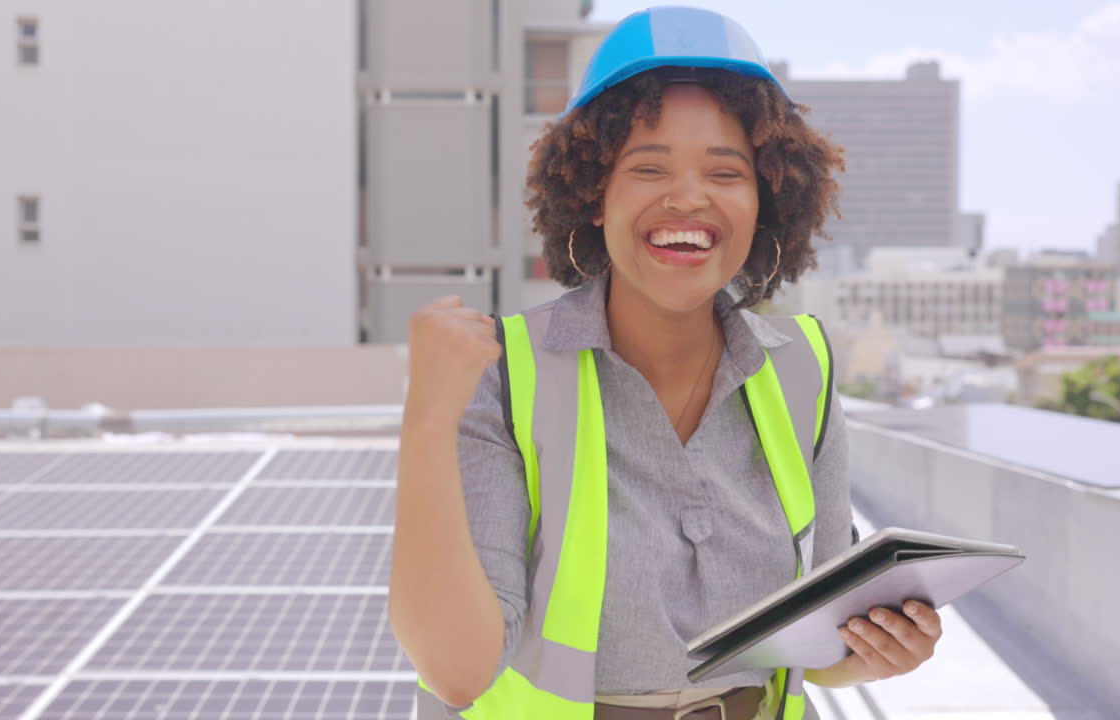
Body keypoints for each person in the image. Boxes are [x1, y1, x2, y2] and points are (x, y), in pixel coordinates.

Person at [389, 6, 944, 719]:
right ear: (593, 195)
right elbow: (458, 671)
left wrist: (874, 649)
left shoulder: (803, 366)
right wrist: (424, 422)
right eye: (649, 167)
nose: (689, 196)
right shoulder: (502, 376)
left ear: (765, 198)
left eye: (726, 171)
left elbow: (821, 641)